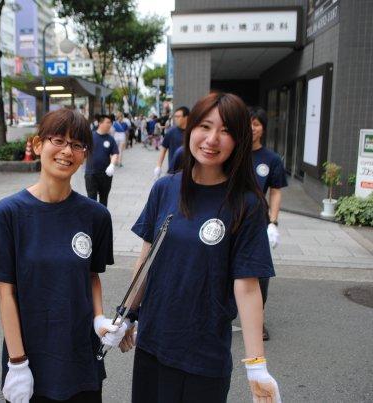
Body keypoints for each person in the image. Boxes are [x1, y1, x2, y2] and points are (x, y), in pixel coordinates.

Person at [120, 93, 281, 403]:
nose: (212, 139)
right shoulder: (165, 188)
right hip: (153, 342)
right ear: (190, 128)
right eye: (205, 126)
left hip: (203, 353)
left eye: (226, 131)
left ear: (239, 140)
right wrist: (126, 314)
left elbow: (247, 287)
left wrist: (257, 365)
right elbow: (146, 260)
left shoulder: (246, 203)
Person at [0, 108, 127, 403]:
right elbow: (5, 293)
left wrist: (98, 318)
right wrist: (17, 362)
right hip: (31, 358)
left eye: (77, 145)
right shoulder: (7, 213)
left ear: (85, 155)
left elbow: (91, 275)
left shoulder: (96, 216)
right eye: (58, 140)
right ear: (37, 145)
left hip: (81, 355)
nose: (66, 151)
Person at [250, 106, 288, 341]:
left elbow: (275, 191)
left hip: (257, 221)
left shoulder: (271, 159)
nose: (251, 128)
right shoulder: (231, 152)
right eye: (247, 123)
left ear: (262, 128)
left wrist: (273, 222)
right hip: (228, 217)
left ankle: (258, 320)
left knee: (260, 272)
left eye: (256, 124)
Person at [85, 114, 120, 207]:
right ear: (100, 123)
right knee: (91, 199)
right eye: (107, 122)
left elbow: (115, 153)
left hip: (105, 174)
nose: (110, 125)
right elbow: (82, 149)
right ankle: (92, 219)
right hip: (91, 173)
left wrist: (112, 165)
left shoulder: (110, 139)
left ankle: (102, 219)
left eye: (111, 123)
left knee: (104, 199)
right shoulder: (90, 136)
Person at [154, 106, 189, 179]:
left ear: (186, 117)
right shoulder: (171, 132)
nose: (175, 119)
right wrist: (158, 166)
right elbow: (163, 149)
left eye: (178, 116)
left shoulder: (193, 132)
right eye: (175, 116)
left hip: (190, 170)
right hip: (173, 171)